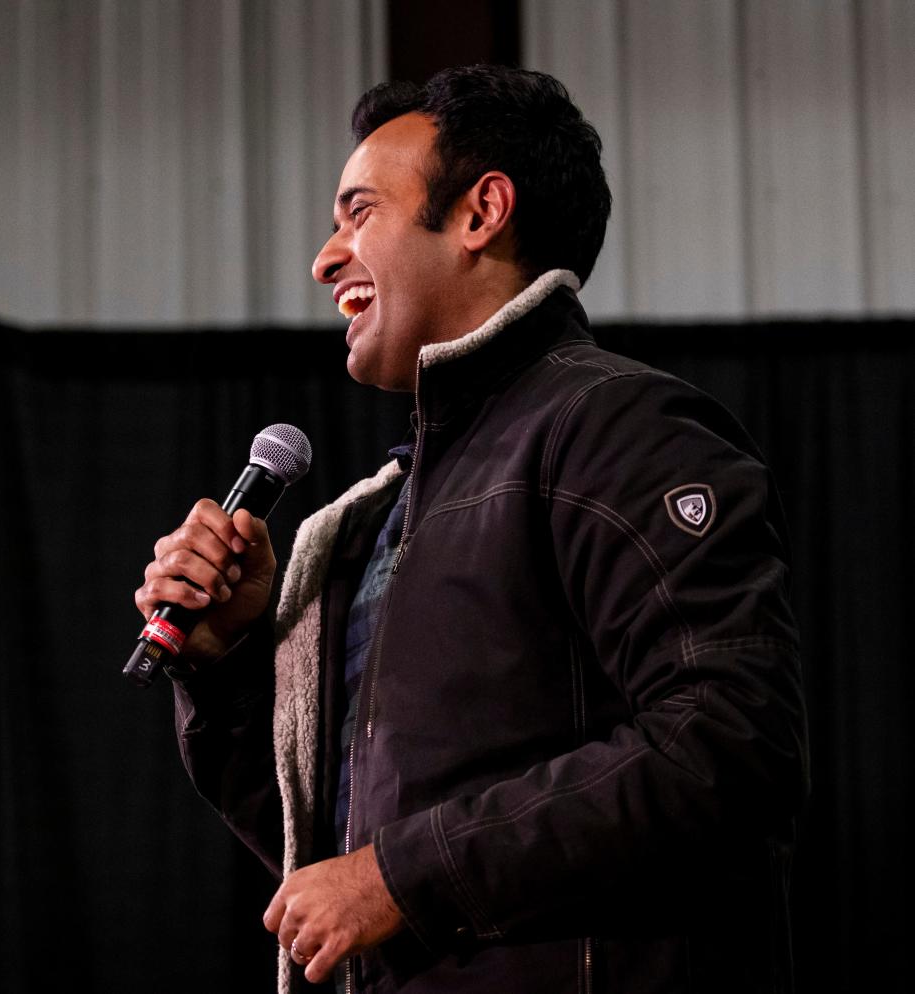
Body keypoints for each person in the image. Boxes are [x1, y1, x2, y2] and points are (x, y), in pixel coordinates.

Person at [135, 65, 808, 993]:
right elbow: (321, 854)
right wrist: (226, 661)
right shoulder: (376, 517)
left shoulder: (617, 428)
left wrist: (402, 877)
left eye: (358, 211)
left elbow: (730, 744)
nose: (326, 259)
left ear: (482, 212)